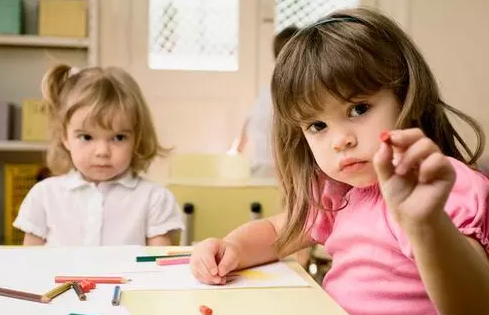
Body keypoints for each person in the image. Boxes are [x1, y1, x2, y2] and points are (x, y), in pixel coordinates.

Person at [190, 7, 489, 315]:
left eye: (359, 109)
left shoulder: (441, 187)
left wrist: (427, 224)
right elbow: (276, 232)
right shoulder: (339, 194)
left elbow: (477, 305)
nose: (340, 140)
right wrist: (233, 248)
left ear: (406, 97)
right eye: (317, 126)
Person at [13, 65, 183, 246]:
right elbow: (29, 262)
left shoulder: (154, 199)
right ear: (65, 137)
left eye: (118, 137)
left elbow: (158, 267)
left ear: (137, 138)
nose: (102, 151)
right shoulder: (44, 195)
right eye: (86, 137)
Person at [230, 25, 299, 178]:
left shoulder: (266, 91)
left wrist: (239, 149)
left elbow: (248, 120)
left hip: (261, 163)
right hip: (278, 167)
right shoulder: (294, 93)